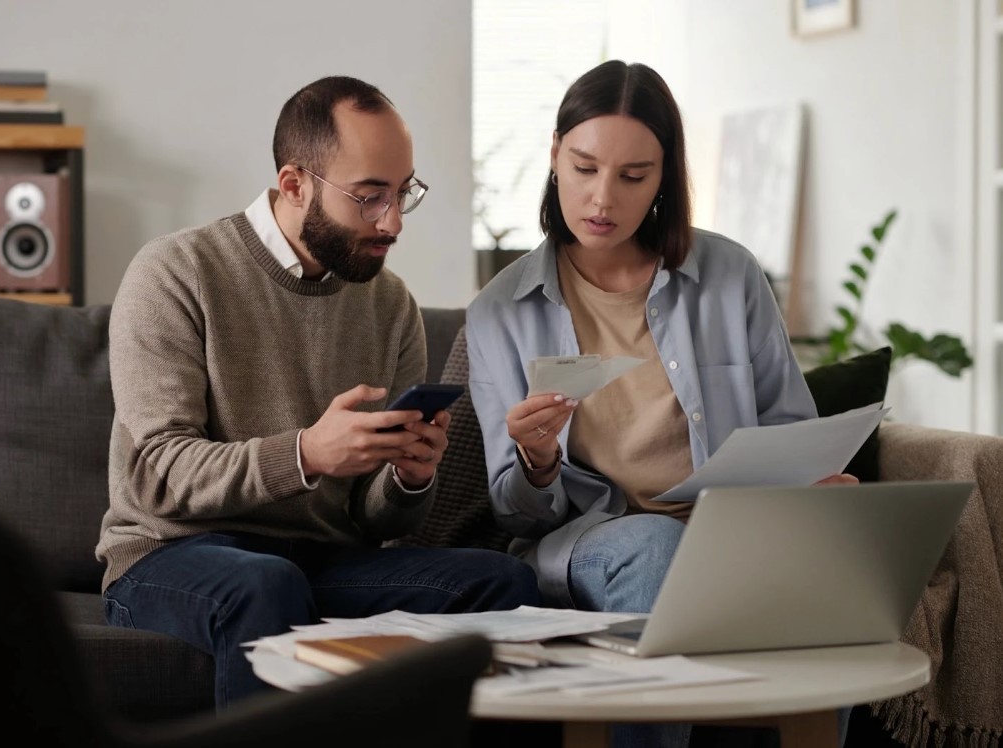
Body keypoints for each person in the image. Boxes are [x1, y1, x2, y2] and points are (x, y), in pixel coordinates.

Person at [96, 75, 540, 711]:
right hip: (170, 558)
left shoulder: (390, 305)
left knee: (503, 582)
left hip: (320, 562)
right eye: (368, 196)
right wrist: (306, 454)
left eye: (402, 192)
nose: (392, 222)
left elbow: (375, 520)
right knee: (265, 584)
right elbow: (160, 474)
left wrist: (409, 477)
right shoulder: (175, 272)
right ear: (295, 183)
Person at [465, 60, 856, 747]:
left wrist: (812, 483)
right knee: (654, 546)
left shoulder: (730, 276)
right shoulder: (501, 312)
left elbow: (789, 426)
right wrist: (536, 461)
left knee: (829, 566)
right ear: (555, 155)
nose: (602, 198)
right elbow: (512, 510)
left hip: (728, 530)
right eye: (584, 167)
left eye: (633, 176)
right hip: (594, 541)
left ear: (665, 177)